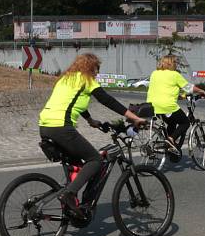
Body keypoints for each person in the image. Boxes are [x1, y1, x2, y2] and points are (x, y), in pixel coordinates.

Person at [38, 53, 145, 219]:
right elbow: (106, 100)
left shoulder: (66, 78)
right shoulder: (87, 79)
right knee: (95, 160)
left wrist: (90, 120)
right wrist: (134, 117)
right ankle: (69, 194)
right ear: (90, 67)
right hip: (61, 127)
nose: (97, 73)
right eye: (96, 69)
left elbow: (73, 101)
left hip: (45, 126)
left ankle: (74, 206)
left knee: (77, 167)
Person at [146, 55, 205, 162]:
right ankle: (170, 140)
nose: (177, 64)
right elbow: (189, 87)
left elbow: (164, 89)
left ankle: (171, 148)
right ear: (171, 63)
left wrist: (179, 96)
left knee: (172, 123)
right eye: (175, 62)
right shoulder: (174, 75)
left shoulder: (154, 73)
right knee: (185, 123)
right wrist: (202, 91)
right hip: (167, 107)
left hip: (153, 106)